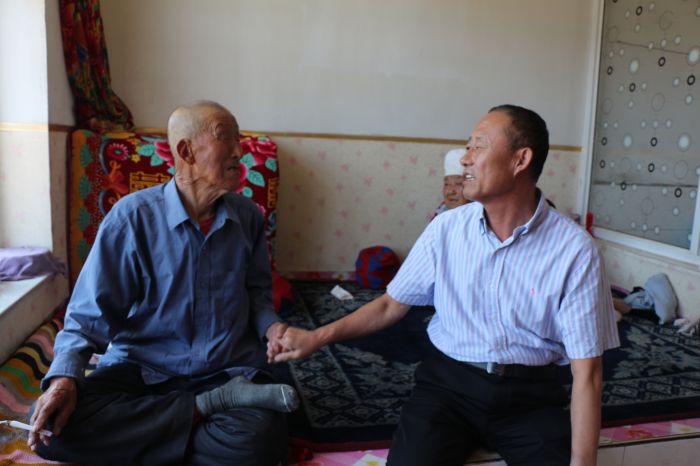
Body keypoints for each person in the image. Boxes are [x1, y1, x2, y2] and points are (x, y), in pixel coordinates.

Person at [269, 105, 619, 466]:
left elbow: (588, 372)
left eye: (478, 146)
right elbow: (391, 304)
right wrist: (316, 337)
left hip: (530, 397)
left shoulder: (574, 250)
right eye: (467, 147)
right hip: (449, 387)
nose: (465, 159)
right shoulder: (446, 229)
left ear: (521, 159)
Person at [29, 101, 297, 466]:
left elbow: (258, 294)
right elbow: (88, 315)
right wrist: (64, 379)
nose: (240, 151)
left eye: (239, 139)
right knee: (52, 427)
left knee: (258, 441)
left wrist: (273, 327)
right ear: (186, 151)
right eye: (226, 138)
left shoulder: (248, 217)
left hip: (226, 370)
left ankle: (155, 434)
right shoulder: (131, 218)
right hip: (143, 372)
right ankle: (204, 410)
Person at [432, 147, 470, 219]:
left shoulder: (481, 216)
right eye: (446, 184)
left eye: (458, 184)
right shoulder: (441, 212)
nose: (450, 191)